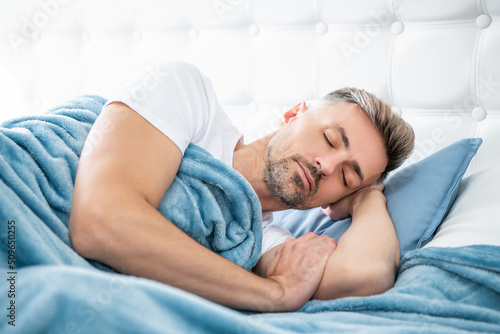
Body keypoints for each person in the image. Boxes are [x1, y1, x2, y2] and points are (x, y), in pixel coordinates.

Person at [69, 61, 414, 312]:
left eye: (347, 177)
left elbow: (365, 276)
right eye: (329, 139)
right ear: (293, 114)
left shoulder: (260, 242)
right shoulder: (191, 97)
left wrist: (368, 201)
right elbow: (100, 221)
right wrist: (274, 294)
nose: (327, 166)